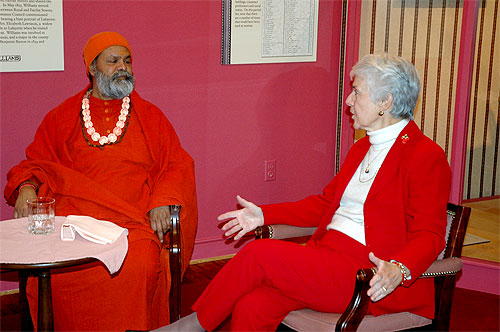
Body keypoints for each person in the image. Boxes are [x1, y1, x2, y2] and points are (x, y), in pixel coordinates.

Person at [159, 53, 451, 331]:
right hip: (326, 257)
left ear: (384, 101)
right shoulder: (363, 147)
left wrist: (400, 268)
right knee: (253, 305)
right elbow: (325, 204)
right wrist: (263, 214)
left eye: (357, 92)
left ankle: (191, 326)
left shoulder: (424, 156)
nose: (348, 101)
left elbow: (430, 234)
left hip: (366, 274)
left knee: (258, 253)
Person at [4, 31, 198, 331]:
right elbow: (35, 163)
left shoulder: (150, 116)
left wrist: (162, 201)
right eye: (113, 61)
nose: (124, 67)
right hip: (74, 222)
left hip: (132, 221)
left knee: (140, 263)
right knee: (59, 271)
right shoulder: (61, 116)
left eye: (128, 60)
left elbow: (177, 164)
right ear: (92, 69)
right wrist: (27, 187)